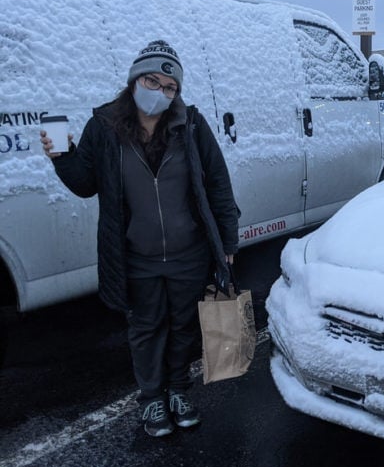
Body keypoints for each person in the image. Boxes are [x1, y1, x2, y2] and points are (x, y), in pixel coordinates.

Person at [41, 40, 239, 437]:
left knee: (184, 325)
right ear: (134, 80)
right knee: (147, 326)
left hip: (189, 252)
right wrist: (62, 157)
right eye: (153, 81)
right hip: (136, 254)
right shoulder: (104, 127)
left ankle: (179, 391)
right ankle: (151, 399)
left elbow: (218, 185)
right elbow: (85, 184)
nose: (160, 92)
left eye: (170, 87)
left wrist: (228, 245)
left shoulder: (192, 126)